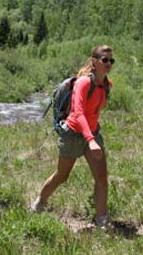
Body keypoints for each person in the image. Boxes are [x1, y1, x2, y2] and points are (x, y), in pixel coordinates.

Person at [30, 45, 114, 228]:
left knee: (101, 177)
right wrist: (90, 140)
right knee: (62, 176)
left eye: (111, 60)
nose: (109, 63)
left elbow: (93, 112)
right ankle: (39, 203)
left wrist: (92, 136)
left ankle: (102, 219)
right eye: (105, 60)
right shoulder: (83, 83)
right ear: (94, 61)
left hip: (92, 134)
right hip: (73, 135)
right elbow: (77, 113)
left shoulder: (107, 85)